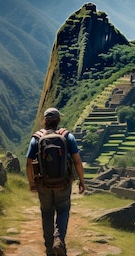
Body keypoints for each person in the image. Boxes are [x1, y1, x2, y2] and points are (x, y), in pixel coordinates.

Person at [26, 107, 86, 256]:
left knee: (46, 213)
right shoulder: (67, 137)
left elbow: (28, 163)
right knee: (63, 210)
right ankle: (59, 240)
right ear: (59, 120)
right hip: (63, 183)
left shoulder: (37, 138)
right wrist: (81, 181)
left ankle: (49, 249)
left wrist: (32, 183)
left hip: (43, 183)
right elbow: (77, 162)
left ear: (44, 121)